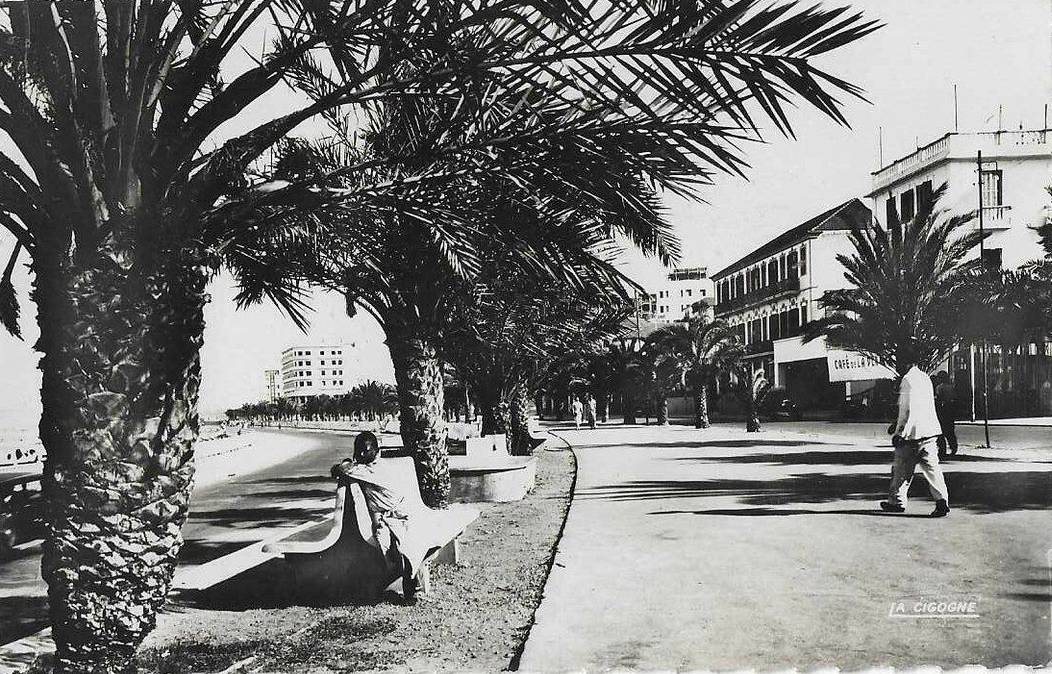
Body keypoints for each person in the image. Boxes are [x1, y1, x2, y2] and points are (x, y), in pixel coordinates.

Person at [331, 432, 429, 600]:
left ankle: (411, 588)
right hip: (393, 516)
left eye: (364, 452)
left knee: (405, 548)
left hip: (399, 515)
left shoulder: (364, 471)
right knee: (400, 547)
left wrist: (347, 462)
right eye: (361, 452)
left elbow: (337, 470)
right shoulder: (372, 468)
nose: (362, 455)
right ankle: (410, 588)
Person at [881, 358, 950, 517]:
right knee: (933, 470)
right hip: (929, 432)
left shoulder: (907, 380)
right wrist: (896, 424)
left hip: (912, 435)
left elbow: (907, 409)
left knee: (901, 469)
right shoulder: (925, 378)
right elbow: (922, 406)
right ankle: (942, 501)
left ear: (906, 363)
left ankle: (897, 501)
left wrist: (900, 433)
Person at [931, 371, 958, 458]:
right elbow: (955, 398)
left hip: (942, 411)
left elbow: (938, 398)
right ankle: (953, 447)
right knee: (950, 431)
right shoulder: (951, 387)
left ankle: (942, 450)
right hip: (951, 410)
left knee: (941, 432)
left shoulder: (939, 387)